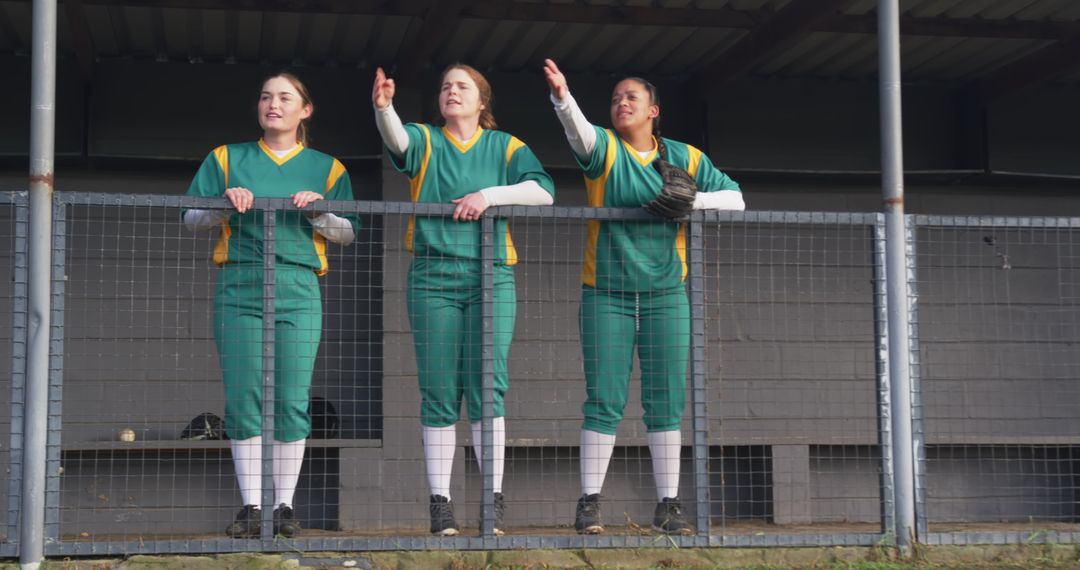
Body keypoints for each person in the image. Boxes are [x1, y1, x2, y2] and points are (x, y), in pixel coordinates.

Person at [543, 59, 745, 535]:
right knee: (604, 398)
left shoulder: (685, 158)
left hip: (665, 293)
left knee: (665, 399)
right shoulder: (605, 150)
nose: (621, 103)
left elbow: (735, 199)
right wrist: (561, 97)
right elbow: (578, 133)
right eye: (614, 98)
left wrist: (691, 200)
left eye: (630, 97)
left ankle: (669, 505)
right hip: (606, 292)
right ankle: (590, 503)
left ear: (654, 110)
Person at [373, 64, 555, 536]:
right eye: (445, 86)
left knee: (487, 388)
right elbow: (398, 142)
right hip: (432, 274)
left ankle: (492, 503)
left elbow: (543, 191)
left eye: (463, 87)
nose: (452, 92)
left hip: (491, 275)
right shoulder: (427, 139)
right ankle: (441, 505)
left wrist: (488, 195)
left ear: (481, 102)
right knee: (437, 390)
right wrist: (385, 107)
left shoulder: (505, 145)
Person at [184, 72, 359, 538]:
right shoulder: (226, 158)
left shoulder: (328, 167)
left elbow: (347, 233)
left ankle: (283, 506)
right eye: (265, 96)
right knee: (244, 396)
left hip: (298, 287)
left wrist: (320, 211)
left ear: (306, 110)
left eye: (284, 97)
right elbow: (191, 219)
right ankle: (253, 507)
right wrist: (223, 203)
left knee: (291, 397)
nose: (272, 104)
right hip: (238, 284)